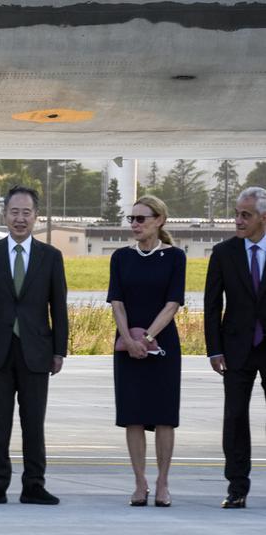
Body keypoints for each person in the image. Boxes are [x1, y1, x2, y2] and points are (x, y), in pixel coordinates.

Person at [0, 185, 68, 506]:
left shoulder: (51, 257)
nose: (20, 219)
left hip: (36, 351)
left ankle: (34, 484)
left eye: (26, 212)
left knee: (33, 423)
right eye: (14, 212)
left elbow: (58, 308)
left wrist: (59, 350)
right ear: (4, 215)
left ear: (36, 217)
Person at [107, 196, 185, 507]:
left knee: (165, 417)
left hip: (163, 345)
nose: (135, 225)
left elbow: (173, 304)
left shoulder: (175, 257)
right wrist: (128, 339)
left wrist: (148, 338)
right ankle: (140, 483)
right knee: (133, 416)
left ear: (159, 220)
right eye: (132, 219)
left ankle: (163, 482)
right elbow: (117, 303)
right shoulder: (121, 258)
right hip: (127, 346)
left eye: (141, 219)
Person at [204, 186, 266, 509]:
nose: (238, 221)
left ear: (263, 218)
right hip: (236, 348)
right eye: (237, 214)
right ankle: (237, 487)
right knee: (235, 417)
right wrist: (214, 349)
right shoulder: (223, 253)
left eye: (246, 215)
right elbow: (212, 305)